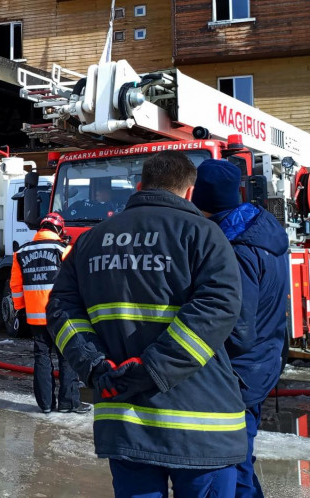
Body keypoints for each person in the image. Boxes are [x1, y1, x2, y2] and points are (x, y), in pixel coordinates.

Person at [47, 151, 245, 498]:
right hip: (200, 426)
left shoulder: (90, 240)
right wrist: (154, 368)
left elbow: (61, 309)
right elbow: (219, 306)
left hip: (124, 419)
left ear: (139, 187)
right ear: (188, 193)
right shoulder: (205, 234)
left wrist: (94, 365)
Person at [192, 159, 289, 498]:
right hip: (263, 361)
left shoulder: (235, 248)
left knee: (232, 464)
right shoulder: (262, 230)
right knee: (241, 458)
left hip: (239, 373)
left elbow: (238, 327)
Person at [10, 213, 92, 414]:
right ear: (59, 230)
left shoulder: (20, 253)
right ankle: (68, 403)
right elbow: (78, 282)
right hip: (61, 315)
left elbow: (16, 286)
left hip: (35, 316)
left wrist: (22, 309)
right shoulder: (64, 250)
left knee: (41, 357)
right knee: (66, 356)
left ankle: (45, 404)